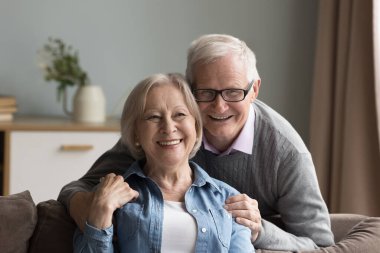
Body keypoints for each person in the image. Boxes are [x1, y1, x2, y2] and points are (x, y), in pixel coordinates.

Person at [59, 34, 334, 251]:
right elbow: (77, 188)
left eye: (234, 92)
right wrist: (96, 216)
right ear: (190, 92)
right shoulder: (164, 135)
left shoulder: (286, 153)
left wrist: (260, 231)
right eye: (205, 92)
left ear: (255, 90)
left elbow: (320, 244)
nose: (219, 106)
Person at [73, 73, 255, 252]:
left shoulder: (228, 199)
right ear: (136, 133)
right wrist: (101, 212)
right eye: (154, 117)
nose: (168, 127)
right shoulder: (109, 197)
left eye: (180, 114)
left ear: (196, 127)